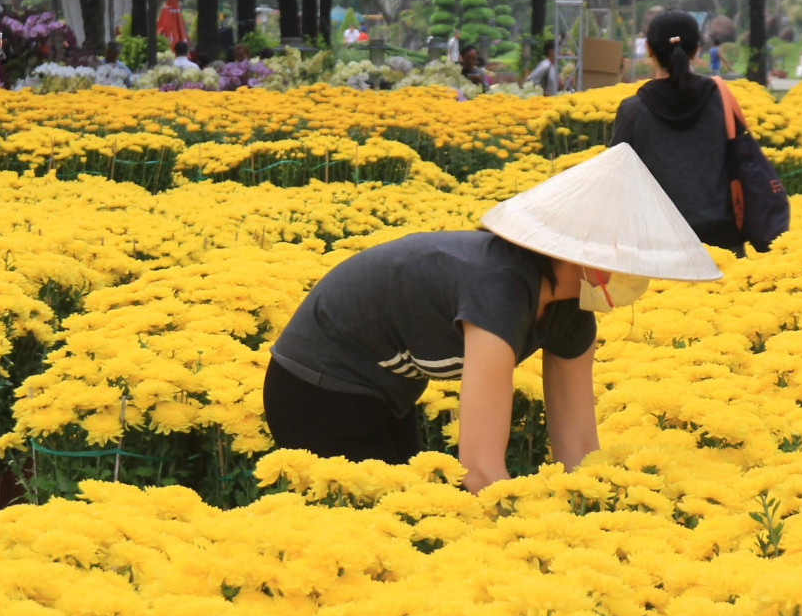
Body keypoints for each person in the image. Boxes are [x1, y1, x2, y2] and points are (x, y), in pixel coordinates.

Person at [264, 144, 721, 490]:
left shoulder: (571, 311)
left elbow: (579, 447)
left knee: (402, 515)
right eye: (623, 257)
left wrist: (592, 513)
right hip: (316, 383)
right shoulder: (498, 286)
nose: (633, 274)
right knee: (372, 530)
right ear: (583, 252)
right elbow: (479, 466)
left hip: (389, 393)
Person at [608, 11, 745, 253]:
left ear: (649, 49)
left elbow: (616, 182)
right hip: (724, 244)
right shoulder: (721, 101)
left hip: (658, 247)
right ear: (697, 50)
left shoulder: (633, 111)